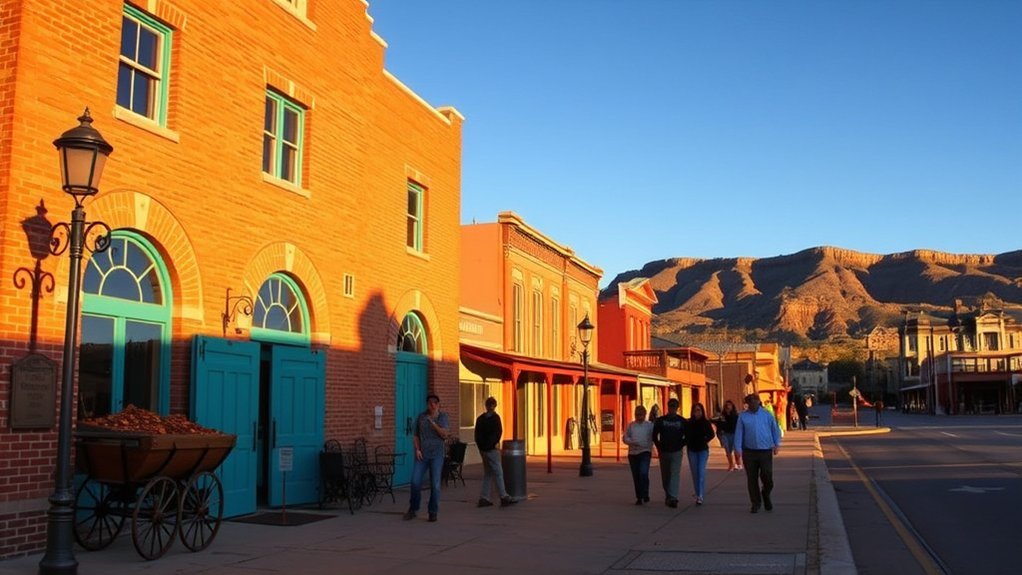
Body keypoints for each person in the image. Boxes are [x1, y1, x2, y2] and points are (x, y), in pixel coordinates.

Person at [404, 394, 450, 522]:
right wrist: (417, 449)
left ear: (438, 404)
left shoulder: (442, 417)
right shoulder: (421, 417)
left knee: (435, 484)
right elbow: (416, 436)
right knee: (415, 481)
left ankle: (433, 511)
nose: (433, 405)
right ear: (427, 404)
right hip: (423, 455)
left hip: (437, 455)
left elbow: (444, 434)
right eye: (430, 403)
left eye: (435, 403)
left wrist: (433, 423)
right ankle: (413, 509)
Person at [734, 394, 782, 514]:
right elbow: (739, 433)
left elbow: (774, 429)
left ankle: (766, 493)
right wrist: (738, 449)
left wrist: (776, 444)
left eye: (753, 402)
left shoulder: (767, 415)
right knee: (752, 478)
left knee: (767, 475)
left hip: (765, 450)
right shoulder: (743, 416)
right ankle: (755, 503)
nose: (751, 405)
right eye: (749, 403)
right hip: (749, 452)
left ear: (758, 402)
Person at [474, 397, 516, 508]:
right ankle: (503, 496)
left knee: (488, 473)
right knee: (498, 472)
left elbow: (477, 435)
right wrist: (491, 445)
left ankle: (484, 497)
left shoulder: (480, 419)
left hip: (483, 450)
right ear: (494, 406)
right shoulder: (495, 418)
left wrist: (481, 447)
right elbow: (498, 433)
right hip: (492, 449)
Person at [651, 397, 686, 508]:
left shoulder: (682, 421)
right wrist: (658, 446)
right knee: (666, 475)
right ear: (668, 407)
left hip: (676, 451)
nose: (672, 409)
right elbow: (654, 435)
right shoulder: (661, 421)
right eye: (670, 406)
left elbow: (687, 435)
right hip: (664, 451)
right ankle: (668, 495)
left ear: (677, 408)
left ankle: (673, 497)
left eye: (674, 407)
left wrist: (681, 444)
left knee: (674, 474)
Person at [622, 404, 654, 505]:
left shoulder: (649, 426)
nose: (639, 417)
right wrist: (631, 442)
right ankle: (639, 497)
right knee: (636, 475)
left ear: (644, 415)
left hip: (645, 451)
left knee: (643, 473)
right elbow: (625, 437)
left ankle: (645, 493)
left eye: (641, 415)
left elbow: (654, 437)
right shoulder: (631, 425)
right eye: (637, 415)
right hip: (633, 453)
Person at [685, 403, 715, 505]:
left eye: (699, 410)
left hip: (702, 450)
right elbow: (685, 434)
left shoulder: (705, 423)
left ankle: (700, 495)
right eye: (695, 410)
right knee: (695, 473)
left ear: (702, 411)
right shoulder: (689, 423)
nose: (697, 412)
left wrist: (705, 439)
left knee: (701, 472)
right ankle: (698, 493)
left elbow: (711, 434)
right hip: (692, 450)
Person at [715, 400, 740, 471]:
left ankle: (738, 463)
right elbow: (719, 426)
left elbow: (739, 426)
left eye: (729, 405)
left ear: (732, 406)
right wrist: (719, 437)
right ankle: (731, 464)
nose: (728, 407)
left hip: (734, 434)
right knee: (728, 450)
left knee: (736, 451)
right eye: (726, 406)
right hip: (725, 434)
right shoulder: (722, 416)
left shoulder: (736, 416)